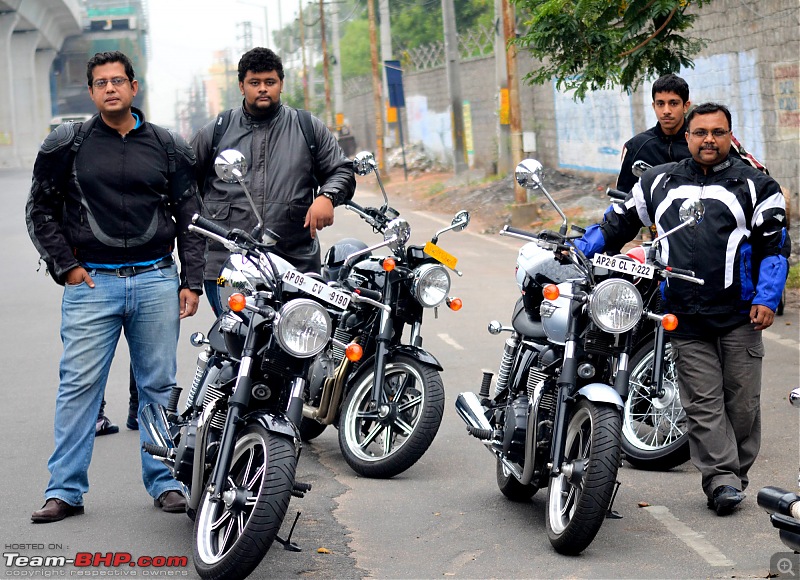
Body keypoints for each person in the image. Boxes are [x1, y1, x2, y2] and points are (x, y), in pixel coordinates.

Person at [573, 102, 789, 516]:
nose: (709, 139)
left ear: (730, 136)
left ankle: (733, 473)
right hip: (683, 314)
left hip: (740, 313)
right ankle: (721, 481)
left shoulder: (757, 186)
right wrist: (579, 250)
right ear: (687, 137)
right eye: (701, 132)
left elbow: (774, 246)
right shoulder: (658, 182)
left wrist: (765, 297)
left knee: (742, 403)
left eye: (718, 132)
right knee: (702, 401)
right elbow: (616, 224)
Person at [25, 51, 205, 523]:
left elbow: (191, 218)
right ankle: (64, 490)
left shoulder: (168, 146)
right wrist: (66, 268)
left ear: (133, 87)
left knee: (159, 387)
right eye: (101, 82)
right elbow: (39, 211)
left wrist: (191, 282)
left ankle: (165, 481)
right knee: (78, 388)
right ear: (91, 92)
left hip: (155, 280)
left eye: (118, 81)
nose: (110, 89)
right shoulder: (67, 144)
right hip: (92, 285)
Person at [190, 47, 356, 314]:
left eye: (270, 82)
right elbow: (184, 189)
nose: (263, 89)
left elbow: (342, 170)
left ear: (281, 84)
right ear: (241, 86)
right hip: (227, 269)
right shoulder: (216, 132)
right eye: (254, 83)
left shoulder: (307, 127)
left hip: (296, 265)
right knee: (233, 343)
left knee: (296, 346)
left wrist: (327, 197)